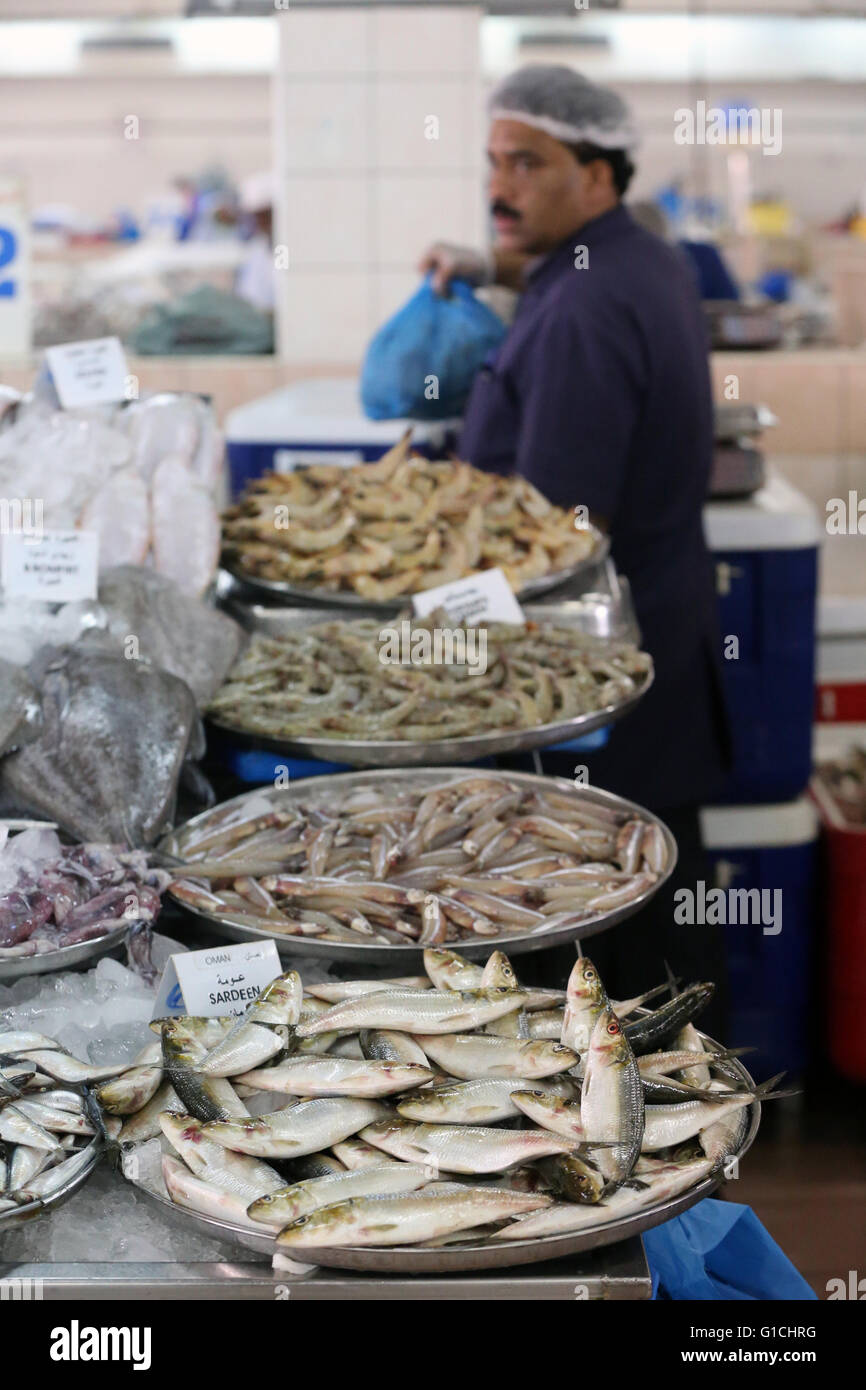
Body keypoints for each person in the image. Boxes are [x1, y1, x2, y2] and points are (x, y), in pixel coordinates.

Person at [419, 66, 732, 1033]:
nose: (500, 184)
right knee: (658, 915)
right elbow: (556, 273)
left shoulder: (584, 313)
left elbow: (549, 548)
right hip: (659, 649)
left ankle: (640, 1161)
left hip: (596, 682)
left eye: (528, 162)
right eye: (491, 162)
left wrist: (427, 628)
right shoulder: (631, 260)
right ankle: (681, 1127)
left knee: (607, 962)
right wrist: (488, 265)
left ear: (599, 174)